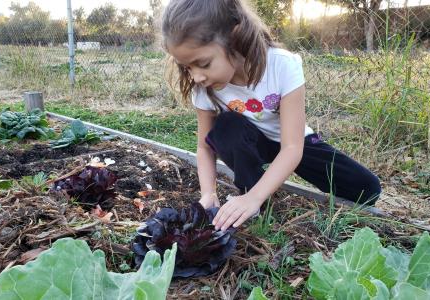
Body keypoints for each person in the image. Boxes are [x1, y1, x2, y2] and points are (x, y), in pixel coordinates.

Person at [161, 0, 381, 232]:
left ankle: (256, 195)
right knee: (226, 126)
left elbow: (292, 148)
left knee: (367, 188)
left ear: (233, 37)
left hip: (293, 143)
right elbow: (205, 148)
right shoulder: (204, 86)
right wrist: (208, 194)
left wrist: (254, 197)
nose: (196, 77)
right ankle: (252, 192)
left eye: (203, 63)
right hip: (252, 142)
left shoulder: (281, 65)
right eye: (187, 67)